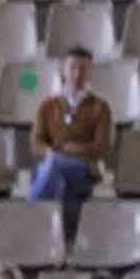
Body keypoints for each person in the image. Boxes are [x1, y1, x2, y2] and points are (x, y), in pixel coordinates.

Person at [29, 46, 113, 204]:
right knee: (56, 176)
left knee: (51, 167)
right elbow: (36, 142)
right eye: (72, 67)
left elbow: (102, 146)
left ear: (90, 73)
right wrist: (51, 152)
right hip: (52, 162)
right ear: (63, 70)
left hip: (84, 168)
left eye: (83, 69)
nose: (77, 74)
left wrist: (78, 150)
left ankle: (30, 211)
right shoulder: (47, 105)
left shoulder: (100, 106)